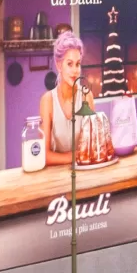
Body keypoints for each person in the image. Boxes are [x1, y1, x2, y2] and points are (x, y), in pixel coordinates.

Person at [38, 27, 91, 168]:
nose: (75, 70)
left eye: (78, 64)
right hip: (55, 178)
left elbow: (92, 146)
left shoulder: (87, 96)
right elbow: (44, 154)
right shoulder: (48, 101)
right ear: (58, 64)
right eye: (69, 64)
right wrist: (74, 156)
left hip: (84, 172)